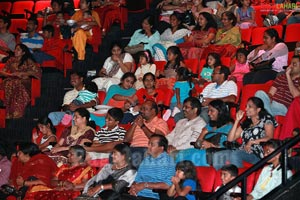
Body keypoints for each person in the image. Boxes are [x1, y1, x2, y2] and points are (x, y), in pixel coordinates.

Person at [213, 97, 278, 170]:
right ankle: (222, 180)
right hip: (243, 151)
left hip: (257, 154)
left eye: (249, 107)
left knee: (236, 154)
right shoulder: (246, 123)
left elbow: (269, 137)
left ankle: (238, 179)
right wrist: (237, 120)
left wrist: (252, 142)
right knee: (218, 155)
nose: (246, 109)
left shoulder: (266, 119)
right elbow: (230, 139)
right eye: (246, 106)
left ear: (258, 109)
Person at [25, 145, 95, 199]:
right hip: (58, 188)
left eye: (71, 154)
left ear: (80, 156)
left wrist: (70, 187)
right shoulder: (63, 167)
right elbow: (52, 181)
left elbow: (86, 184)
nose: (68, 155)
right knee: (35, 189)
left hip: (72, 191)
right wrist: (62, 183)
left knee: (58, 196)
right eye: (68, 153)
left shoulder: (85, 169)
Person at [176, 100, 232, 166]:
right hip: (202, 151)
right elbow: (197, 145)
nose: (208, 113)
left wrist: (211, 145)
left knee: (189, 157)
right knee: (180, 154)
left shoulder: (229, 126)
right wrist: (203, 132)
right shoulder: (210, 125)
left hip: (214, 155)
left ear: (220, 111)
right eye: (208, 111)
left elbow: (227, 148)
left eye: (212, 111)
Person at [122, 134, 175, 200]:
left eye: (152, 145)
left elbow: (168, 184)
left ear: (161, 148)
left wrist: (145, 185)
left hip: (151, 196)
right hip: (136, 195)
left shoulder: (168, 162)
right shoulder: (146, 160)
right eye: (148, 144)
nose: (148, 146)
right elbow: (137, 179)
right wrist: (133, 188)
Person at [0, 44, 41, 119]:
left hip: (24, 81)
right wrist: (10, 74)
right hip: (12, 78)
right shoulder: (11, 60)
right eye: (15, 49)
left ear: (23, 52)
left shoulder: (28, 61)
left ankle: (17, 112)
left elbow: (37, 72)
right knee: (8, 83)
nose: (15, 51)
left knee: (16, 83)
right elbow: (2, 72)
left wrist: (23, 73)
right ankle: (8, 112)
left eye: (18, 50)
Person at [124, 100, 169, 168]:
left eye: (145, 109)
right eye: (141, 109)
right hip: (132, 149)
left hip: (147, 149)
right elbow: (126, 140)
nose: (141, 111)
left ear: (153, 111)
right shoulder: (139, 122)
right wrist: (135, 124)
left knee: (137, 155)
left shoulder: (160, 122)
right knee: (117, 154)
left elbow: (158, 140)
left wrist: (142, 126)